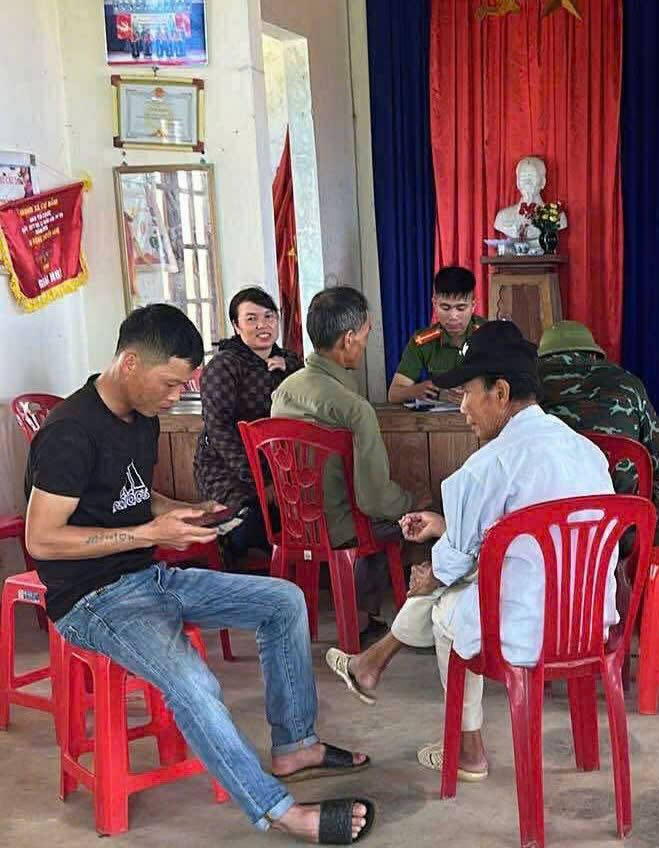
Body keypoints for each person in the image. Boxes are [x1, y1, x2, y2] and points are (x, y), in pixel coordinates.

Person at [24, 304, 373, 843]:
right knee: (192, 679)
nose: (173, 397)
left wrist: (180, 511)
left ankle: (295, 745)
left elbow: (132, 498)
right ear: (131, 363)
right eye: (169, 384)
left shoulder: (141, 419)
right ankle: (278, 810)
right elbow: (42, 537)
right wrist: (149, 535)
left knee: (283, 601)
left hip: (148, 576)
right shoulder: (70, 431)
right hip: (91, 600)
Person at [325, 320, 618, 782]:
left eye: (466, 392)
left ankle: (468, 748)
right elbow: (522, 532)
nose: (461, 407)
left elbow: (454, 562)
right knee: (462, 586)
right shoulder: (587, 452)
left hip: (526, 630)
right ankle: (371, 665)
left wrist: (431, 577)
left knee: (446, 602)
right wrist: (446, 530)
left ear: (500, 392)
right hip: (588, 622)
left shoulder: (487, 465)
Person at [272, 287, 418, 638]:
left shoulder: (283, 392)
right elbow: (375, 500)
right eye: (367, 334)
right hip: (341, 529)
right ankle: (377, 621)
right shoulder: (354, 409)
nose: (367, 342)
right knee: (406, 519)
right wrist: (414, 502)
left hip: (294, 524)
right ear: (348, 339)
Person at [195, 287, 301, 562]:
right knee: (251, 522)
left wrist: (289, 365)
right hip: (229, 466)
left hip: (277, 464)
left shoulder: (285, 360)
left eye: (269, 316)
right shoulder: (224, 366)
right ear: (236, 325)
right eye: (251, 319)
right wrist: (259, 480)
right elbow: (218, 429)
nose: (262, 325)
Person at [538, 319, 659, 529]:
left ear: (543, 358)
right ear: (593, 355)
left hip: (546, 532)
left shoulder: (527, 388)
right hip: (621, 529)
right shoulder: (628, 383)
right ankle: (642, 557)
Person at [387, 266, 486, 404]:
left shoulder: (489, 335)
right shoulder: (423, 341)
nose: (453, 316)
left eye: (461, 308)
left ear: (473, 305)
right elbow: (393, 394)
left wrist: (475, 393)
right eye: (445, 307)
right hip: (440, 421)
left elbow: (509, 388)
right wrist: (417, 390)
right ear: (434, 304)